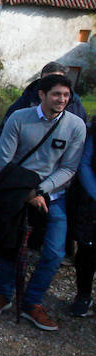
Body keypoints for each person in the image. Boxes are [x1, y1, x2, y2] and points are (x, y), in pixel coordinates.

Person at [0, 74, 86, 331]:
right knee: (10, 245)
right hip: (17, 191)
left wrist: (41, 191)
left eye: (65, 95)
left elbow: (69, 167)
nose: (61, 99)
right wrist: (26, 192)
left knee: (54, 252)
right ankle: (3, 294)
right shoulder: (19, 119)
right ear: (42, 95)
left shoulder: (76, 126)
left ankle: (32, 302)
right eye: (56, 94)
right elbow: (5, 160)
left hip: (54, 196)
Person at [0, 61, 88, 142]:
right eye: (48, 80)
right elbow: (3, 133)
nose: (53, 84)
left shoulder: (74, 104)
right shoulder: (27, 100)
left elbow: (81, 137)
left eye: (57, 79)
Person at [71, 118, 96, 318]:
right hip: (91, 202)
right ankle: (83, 295)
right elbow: (85, 164)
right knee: (87, 251)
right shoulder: (93, 132)